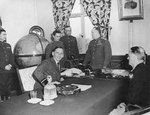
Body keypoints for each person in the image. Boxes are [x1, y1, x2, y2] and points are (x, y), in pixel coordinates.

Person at [0, 29, 15, 102]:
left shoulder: (8, 45)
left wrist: (10, 65)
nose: (5, 36)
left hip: (9, 71)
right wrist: (4, 66)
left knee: (8, 88)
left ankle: (8, 102)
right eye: (3, 34)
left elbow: (12, 57)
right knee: (2, 88)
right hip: (1, 72)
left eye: (5, 34)